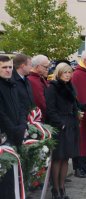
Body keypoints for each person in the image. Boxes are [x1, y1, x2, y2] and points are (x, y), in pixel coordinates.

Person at [45, 63, 82, 199]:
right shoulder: (52, 88)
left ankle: (62, 188)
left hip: (71, 124)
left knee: (66, 158)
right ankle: (55, 189)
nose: (68, 75)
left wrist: (78, 112)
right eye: (65, 72)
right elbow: (50, 109)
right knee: (57, 158)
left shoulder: (70, 87)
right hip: (59, 125)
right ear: (59, 73)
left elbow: (73, 105)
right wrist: (60, 124)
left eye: (69, 72)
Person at [0, 55, 27, 199]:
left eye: (10, 67)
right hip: (5, 136)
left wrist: (23, 124)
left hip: (17, 132)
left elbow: (21, 106)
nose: (8, 70)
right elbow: (1, 113)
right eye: (4, 67)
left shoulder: (13, 83)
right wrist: (14, 129)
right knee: (6, 178)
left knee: (14, 176)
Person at [27, 54, 50, 119]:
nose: (47, 69)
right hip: (40, 118)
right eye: (46, 67)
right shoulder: (33, 80)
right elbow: (41, 102)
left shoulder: (39, 78)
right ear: (38, 67)